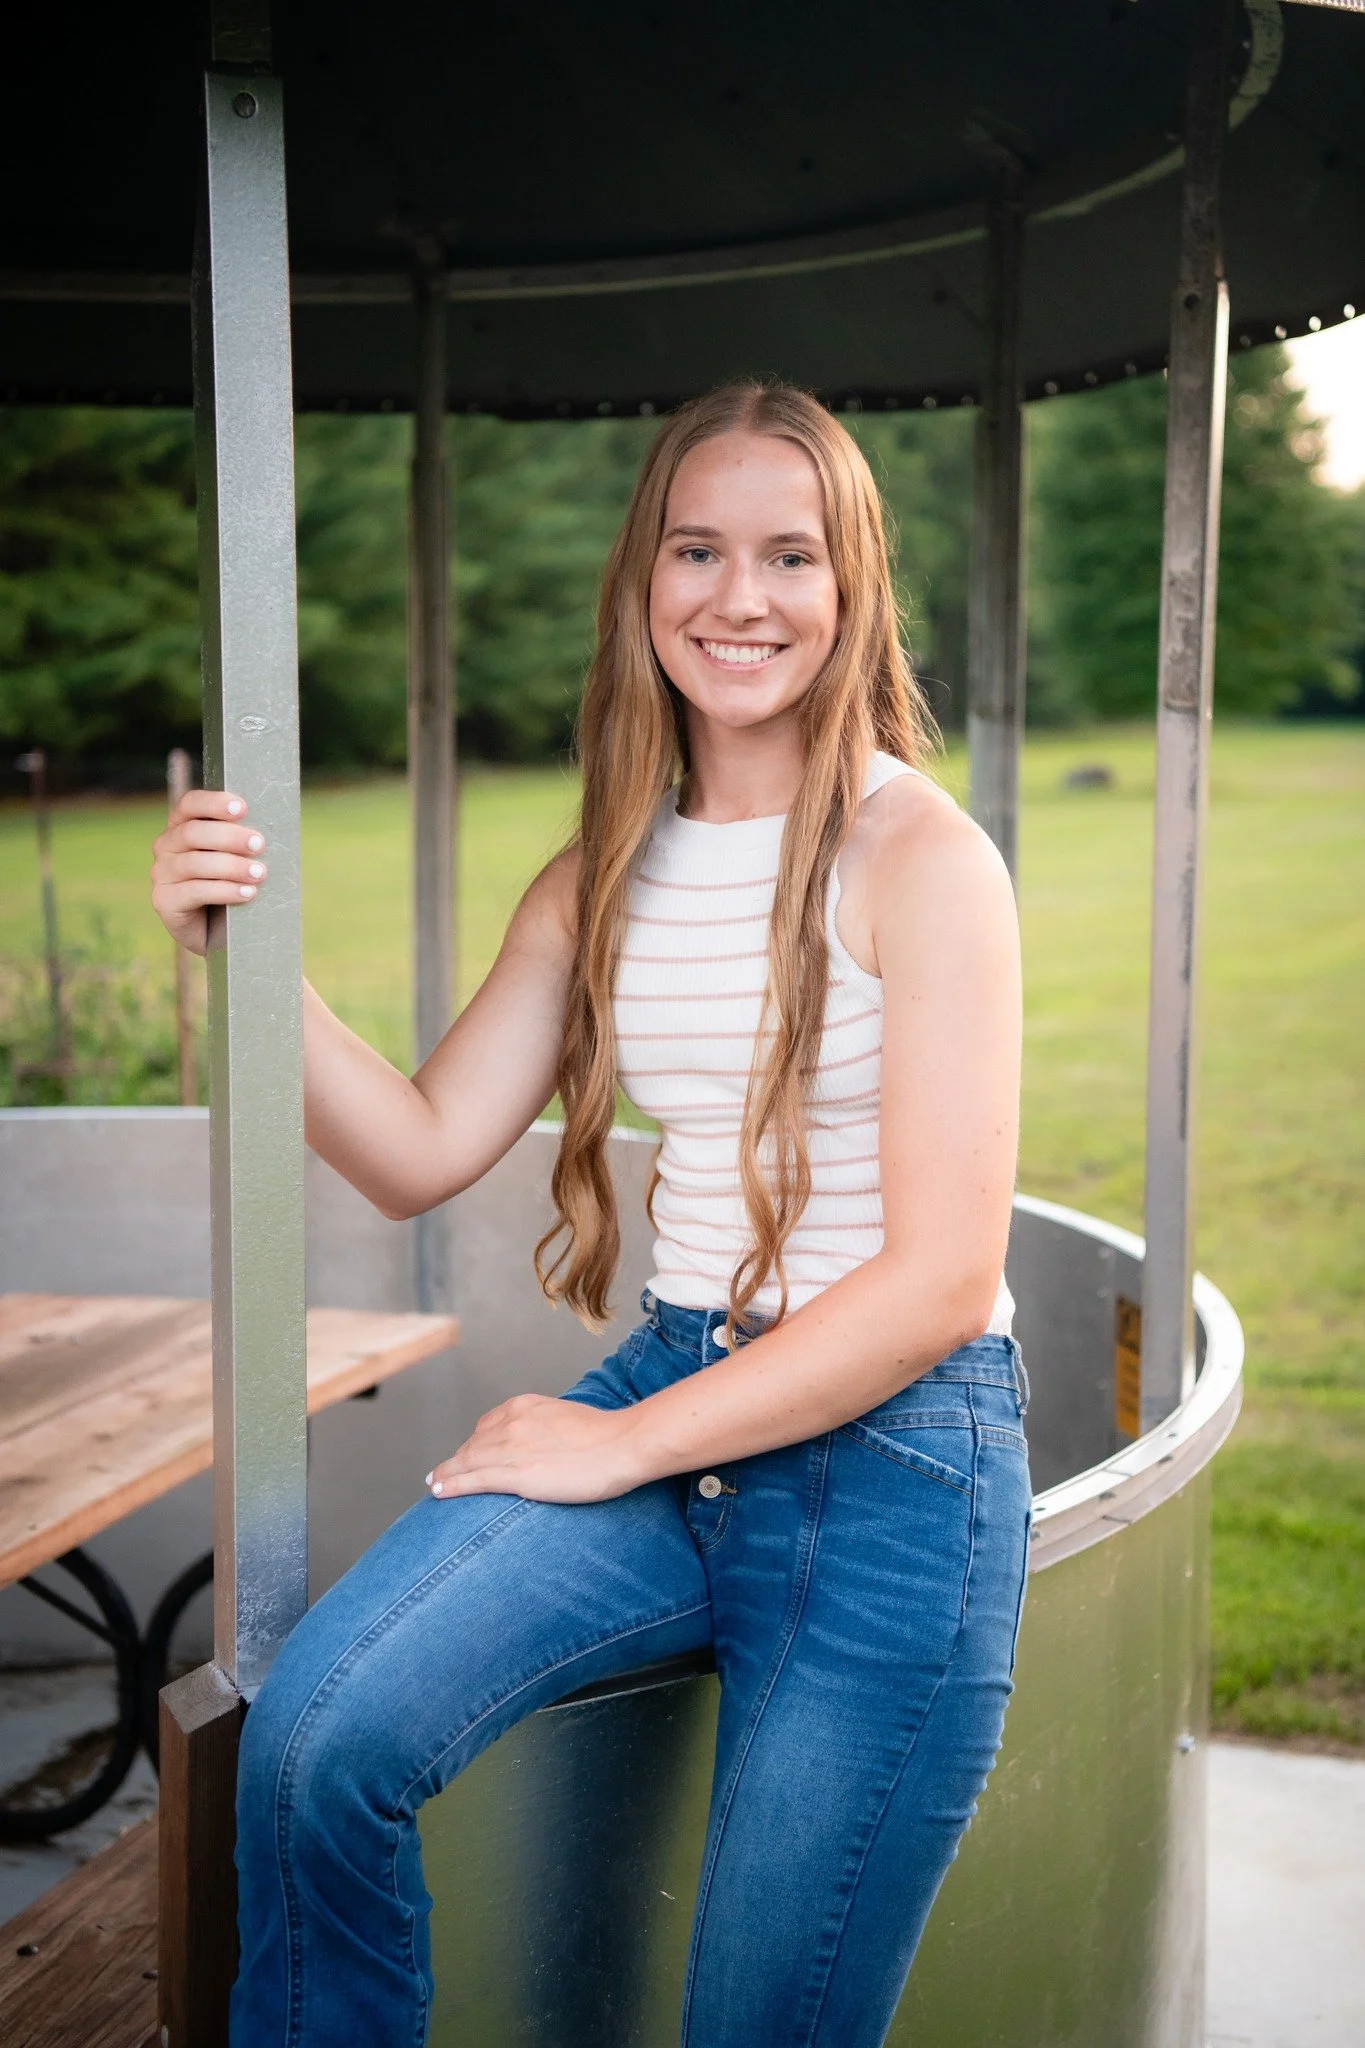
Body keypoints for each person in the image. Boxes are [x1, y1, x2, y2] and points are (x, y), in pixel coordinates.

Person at [150, 380, 1030, 2048]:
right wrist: (242, 960)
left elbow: (937, 1282)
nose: (740, 598)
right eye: (696, 549)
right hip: (675, 1403)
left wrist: (618, 1445)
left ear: (853, 590)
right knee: (319, 1739)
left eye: (790, 555)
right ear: (643, 582)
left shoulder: (922, 860)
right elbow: (415, 1145)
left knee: (758, 2020)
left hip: (899, 1466)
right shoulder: (601, 874)